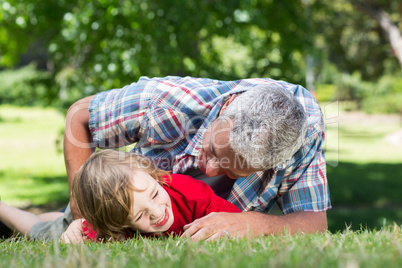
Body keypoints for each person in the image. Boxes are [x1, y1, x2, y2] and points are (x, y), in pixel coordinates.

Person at [61, 76, 330, 241]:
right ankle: (17, 216)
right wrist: (82, 213)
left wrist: (253, 223)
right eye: (212, 149)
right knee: (52, 229)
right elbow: (79, 117)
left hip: (168, 220)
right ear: (225, 109)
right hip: (120, 209)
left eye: (233, 172)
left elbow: (313, 223)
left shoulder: (305, 133)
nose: (209, 170)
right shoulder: (169, 101)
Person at [0, 150, 240, 242]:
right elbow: (80, 237)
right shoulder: (109, 226)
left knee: (56, 219)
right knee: (42, 232)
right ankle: (4, 209)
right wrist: (75, 230)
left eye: (155, 194)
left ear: (154, 176)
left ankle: (56, 216)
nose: (157, 212)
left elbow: (237, 223)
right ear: (120, 223)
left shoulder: (191, 194)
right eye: (140, 215)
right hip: (85, 217)